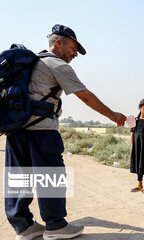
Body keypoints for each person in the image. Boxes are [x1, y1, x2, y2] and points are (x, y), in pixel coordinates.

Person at [5, 24, 126, 240]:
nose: (75, 54)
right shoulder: (56, 64)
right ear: (58, 43)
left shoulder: (31, 63)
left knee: (19, 177)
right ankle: (55, 225)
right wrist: (113, 115)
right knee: (51, 176)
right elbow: (85, 96)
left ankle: (23, 226)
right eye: (73, 48)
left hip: (16, 129)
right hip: (42, 131)